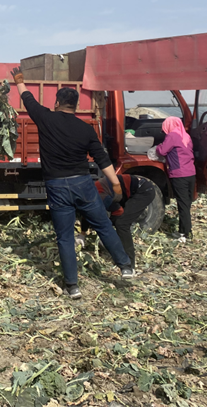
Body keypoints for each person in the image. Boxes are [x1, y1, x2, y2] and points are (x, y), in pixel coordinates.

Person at [11, 67, 135, 300]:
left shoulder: (46, 118)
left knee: (65, 237)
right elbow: (101, 157)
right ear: (75, 106)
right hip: (83, 185)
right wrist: (115, 183)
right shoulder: (85, 129)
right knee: (103, 226)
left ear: (57, 102)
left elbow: (29, 101)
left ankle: (73, 286)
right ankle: (125, 265)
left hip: (57, 187)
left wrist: (20, 82)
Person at [92, 174, 156, 268]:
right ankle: (119, 254)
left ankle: (129, 264)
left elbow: (118, 210)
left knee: (122, 224)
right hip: (128, 192)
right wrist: (83, 233)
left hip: (144, 190)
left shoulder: (100, 195)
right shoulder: (92, 193)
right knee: (115, 221)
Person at [154, 116, 196, 242]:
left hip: (179, 174)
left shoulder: (172, 136)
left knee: (182, 204)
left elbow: (162, 151)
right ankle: (185, 230)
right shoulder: (186, 136)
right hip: (191, 173)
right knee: (186, 204)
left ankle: (185, 234)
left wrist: (156, 147)